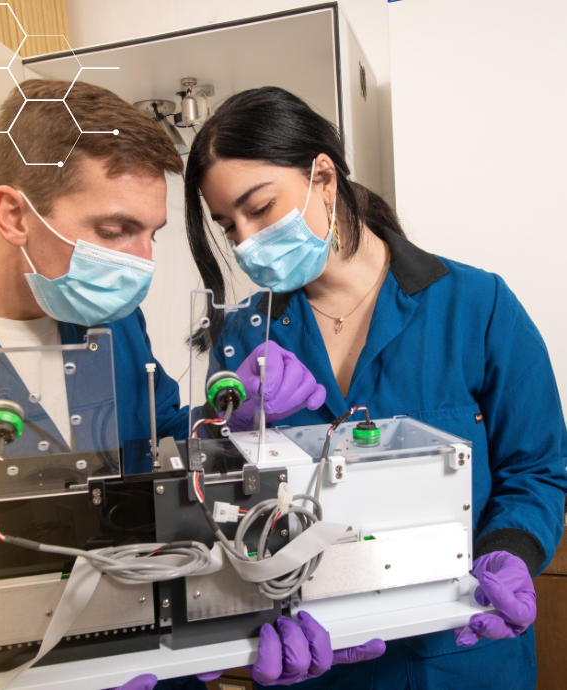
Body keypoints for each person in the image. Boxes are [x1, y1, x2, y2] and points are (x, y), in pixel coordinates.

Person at [0, 79, 337, 690]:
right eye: (115, 230)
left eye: (151, 233)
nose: (140, 262)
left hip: (145, 655)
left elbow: (160, 434)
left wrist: (229, 415)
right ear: (14, 214)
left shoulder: (110, 317)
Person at [184, 86, 567, 689]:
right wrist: (232, 432)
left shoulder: (478, 306)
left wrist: (511, 550)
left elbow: (537, 467)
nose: (246, 241)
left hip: (458, 653)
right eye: (228, 226)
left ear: (324, 176)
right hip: (318, 661)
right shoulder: (244, 341)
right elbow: (229, 506)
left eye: (260, 208)